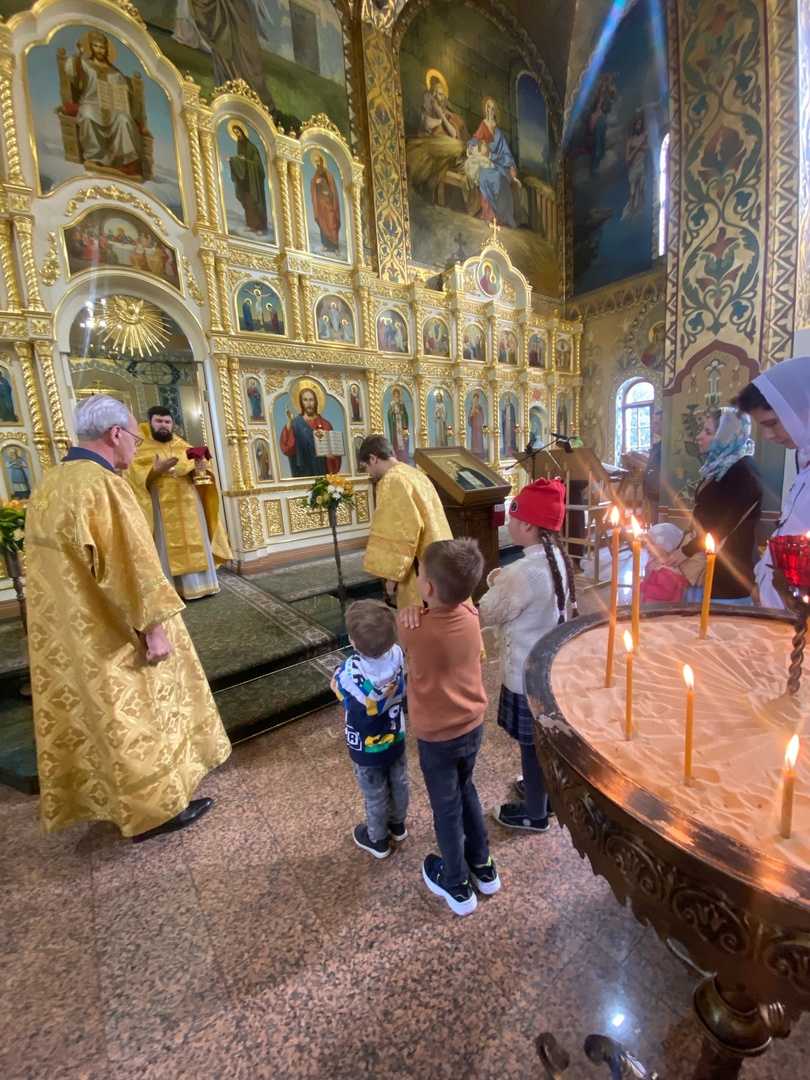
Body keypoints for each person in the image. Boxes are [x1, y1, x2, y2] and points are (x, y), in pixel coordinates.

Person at [25, 394, 231, 840]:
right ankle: (156, 808)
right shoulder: (103, 485)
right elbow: (127, 566)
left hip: (72, 636)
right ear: (115, 434)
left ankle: (113, 799)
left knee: (102, 720)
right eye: (134, 440)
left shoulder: (52, 482)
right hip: (117, 630)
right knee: (138, 714)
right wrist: (153, 630)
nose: (135, 449)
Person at [398, 538, 499, 916]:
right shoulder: (472, 615)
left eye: (420, 573)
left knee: (446, 806)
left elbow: (404, 623)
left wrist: (409, 610)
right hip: (472, 727)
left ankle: (455, 883)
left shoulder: (414, 628)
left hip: (437, 738)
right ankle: (483, 865)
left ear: (427, 587)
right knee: (465, 787)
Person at [478, 479, 577, 833]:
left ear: (529, 525)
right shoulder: (557, 560)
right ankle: (545, 793)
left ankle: (535, 814)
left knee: (531, 747)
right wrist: (502, 579)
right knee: (542, 742)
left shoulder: (522, 573)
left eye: (513, 516)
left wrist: (493, 581)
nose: (508, 522)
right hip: (547, 669)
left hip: (522, 673)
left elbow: (489, 611)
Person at [126, 406, 232, 600]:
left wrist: (201, 469)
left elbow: (200, 476)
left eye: (167, 422)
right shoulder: (141, 449)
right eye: (159, 421)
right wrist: (155, 470)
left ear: (173, 424)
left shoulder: (184, 446)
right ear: (150, 423)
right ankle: (172, 590)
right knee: (165, 544)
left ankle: (201, 586)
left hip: (188, 501)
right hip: (161, 502)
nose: (164, 425)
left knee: (195, 540)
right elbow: (133, 477)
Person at [331, 600, 408, 860]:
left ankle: (377, 839)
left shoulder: (350, 672)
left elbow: (339, 690)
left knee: (374, 794)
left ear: (353, 641)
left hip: (366, 745)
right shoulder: (397, 653)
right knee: (399, 781)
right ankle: (398, 825)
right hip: (395, 733)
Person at [731, 356, 810, 609]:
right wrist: (762, 580)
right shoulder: (804, 460)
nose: (767, 435)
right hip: (780, 611)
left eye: (772, 423)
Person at [664, 408, 762, 603]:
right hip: (709, 563)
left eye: (708, 432)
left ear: (725, 436)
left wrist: (685, 551)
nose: (699, 437)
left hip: (729, 570)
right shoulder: (724, 465)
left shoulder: (742, 472)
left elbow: (722, 526)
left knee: (719, 627)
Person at [359, 435, 452, 609]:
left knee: (423, 619)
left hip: (420, 562)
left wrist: (392, 577)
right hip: (440, 554)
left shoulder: (392, 480)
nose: (369, 474)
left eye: (366, 467)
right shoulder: (414, 473)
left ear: (373, 458)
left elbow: (402, 532)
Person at [62, 31, 144, 177]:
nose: (99, 50)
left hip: (114, 108)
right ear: (91, 48)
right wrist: (78, 55)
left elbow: (127, 97)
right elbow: (71, 72)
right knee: (86, 114)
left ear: (106, 50)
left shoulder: (117, 74)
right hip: (92, 104)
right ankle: (95, 158)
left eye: (102, 47)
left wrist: (127, 94)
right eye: (96, 46)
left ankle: (124, 163)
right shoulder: (85, 65)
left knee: (124, 119)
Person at [466, 97, 521, 228]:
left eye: (492, 108)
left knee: (499, 178)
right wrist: (471, 147)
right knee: (488, 176)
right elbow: (474, 140)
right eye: (488, 108)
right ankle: (489, 215)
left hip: (497, 165)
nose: (490, 111)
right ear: (486, 110)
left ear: (495, 111)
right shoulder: (483, 125)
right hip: (485, 163)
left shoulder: (499, 134)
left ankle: (499, 216)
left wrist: (513, 174)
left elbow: (506, 155)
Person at [280, 386, 341, 477]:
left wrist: (332, 457)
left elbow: (335, 454)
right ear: (301, 402)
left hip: (321, 469)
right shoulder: (296, 423)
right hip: (304, 471)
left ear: (316, 402)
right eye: (305, 400)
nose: (309, 403)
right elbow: (287, 448)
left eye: (311, 400)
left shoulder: (326, 424)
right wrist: (290, 423)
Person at [227, 124, 268, 235]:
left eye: (238, 133)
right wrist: (232, 160)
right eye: (235, 133)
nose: (237, 135)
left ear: (243, 132)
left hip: (254, 181)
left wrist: (246, 161)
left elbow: (258, 165)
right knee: (248, 202)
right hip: (245, 179)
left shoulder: (252, 148)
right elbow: (240, 160)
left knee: (256, 202)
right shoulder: (239, 146)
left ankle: (261, 228)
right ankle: (251, 225)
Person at [640, 523, 688, 604]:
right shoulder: (653, 561)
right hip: (650, 606)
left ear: (666, 547)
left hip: (662, 611)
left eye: (652, 543)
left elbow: (663, 594)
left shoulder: (668, 570)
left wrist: (642, 586)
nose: (647, 546)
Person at [310, 153, 341, 255]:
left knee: (332, 222)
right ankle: (327, 245)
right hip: (321, 203)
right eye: (316, 162)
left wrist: (327, 191)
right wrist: (316, 183)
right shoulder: (316, 174)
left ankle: (335, 246)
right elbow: (313, 185)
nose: (317, 164)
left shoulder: (329, 175)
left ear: (322, 162)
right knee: (323, 224)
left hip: (329, 202)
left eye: (318, 161)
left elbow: (333, 190)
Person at [643, 410, 663, 525]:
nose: (653, 425)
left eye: (656, 423)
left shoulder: (667, 445)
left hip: (660, 493)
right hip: (653, 492)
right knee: (654, 524)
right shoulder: (658, 445)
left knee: (659, 527)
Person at [387, 387, 409, 463]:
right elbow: (389, 414)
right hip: (395, 424)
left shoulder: (402, 403)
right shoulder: (392, 403)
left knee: (403, 440)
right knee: (396, 439)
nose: (396, 394)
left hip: (401, 424)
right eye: (395, 393)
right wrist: (392, 412)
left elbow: (406, 415)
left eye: (397, 393)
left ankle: (404, 457)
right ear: (393, 394)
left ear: (399, 394)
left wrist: (403, 413)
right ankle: (397, 458)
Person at [468, 392, 486, 457]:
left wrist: (478, 413)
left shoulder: (480, 408)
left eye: (476, 398)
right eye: (474, 398)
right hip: (474, 427)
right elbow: (469, 419)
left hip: (478, 427)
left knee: (479, 439)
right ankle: (474, 453)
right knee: (474, 439)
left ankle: (480, 453)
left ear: (478, 399)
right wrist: (471, 415)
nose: (475, 400)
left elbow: (482, 418)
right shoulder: (471, 408)